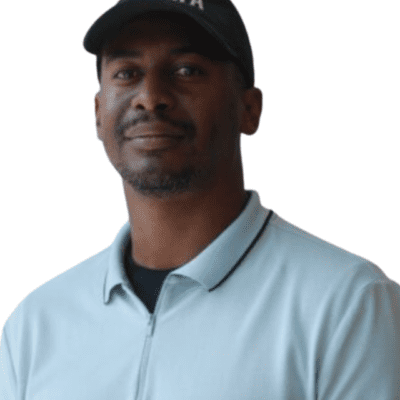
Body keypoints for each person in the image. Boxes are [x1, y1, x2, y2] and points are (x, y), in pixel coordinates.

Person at [1, 0, 399, 398]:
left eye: (186, 70)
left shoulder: (348, 305)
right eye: (127, 73)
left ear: (249, 109)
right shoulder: (35, 327)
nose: (150, 96)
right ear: (98, 113)